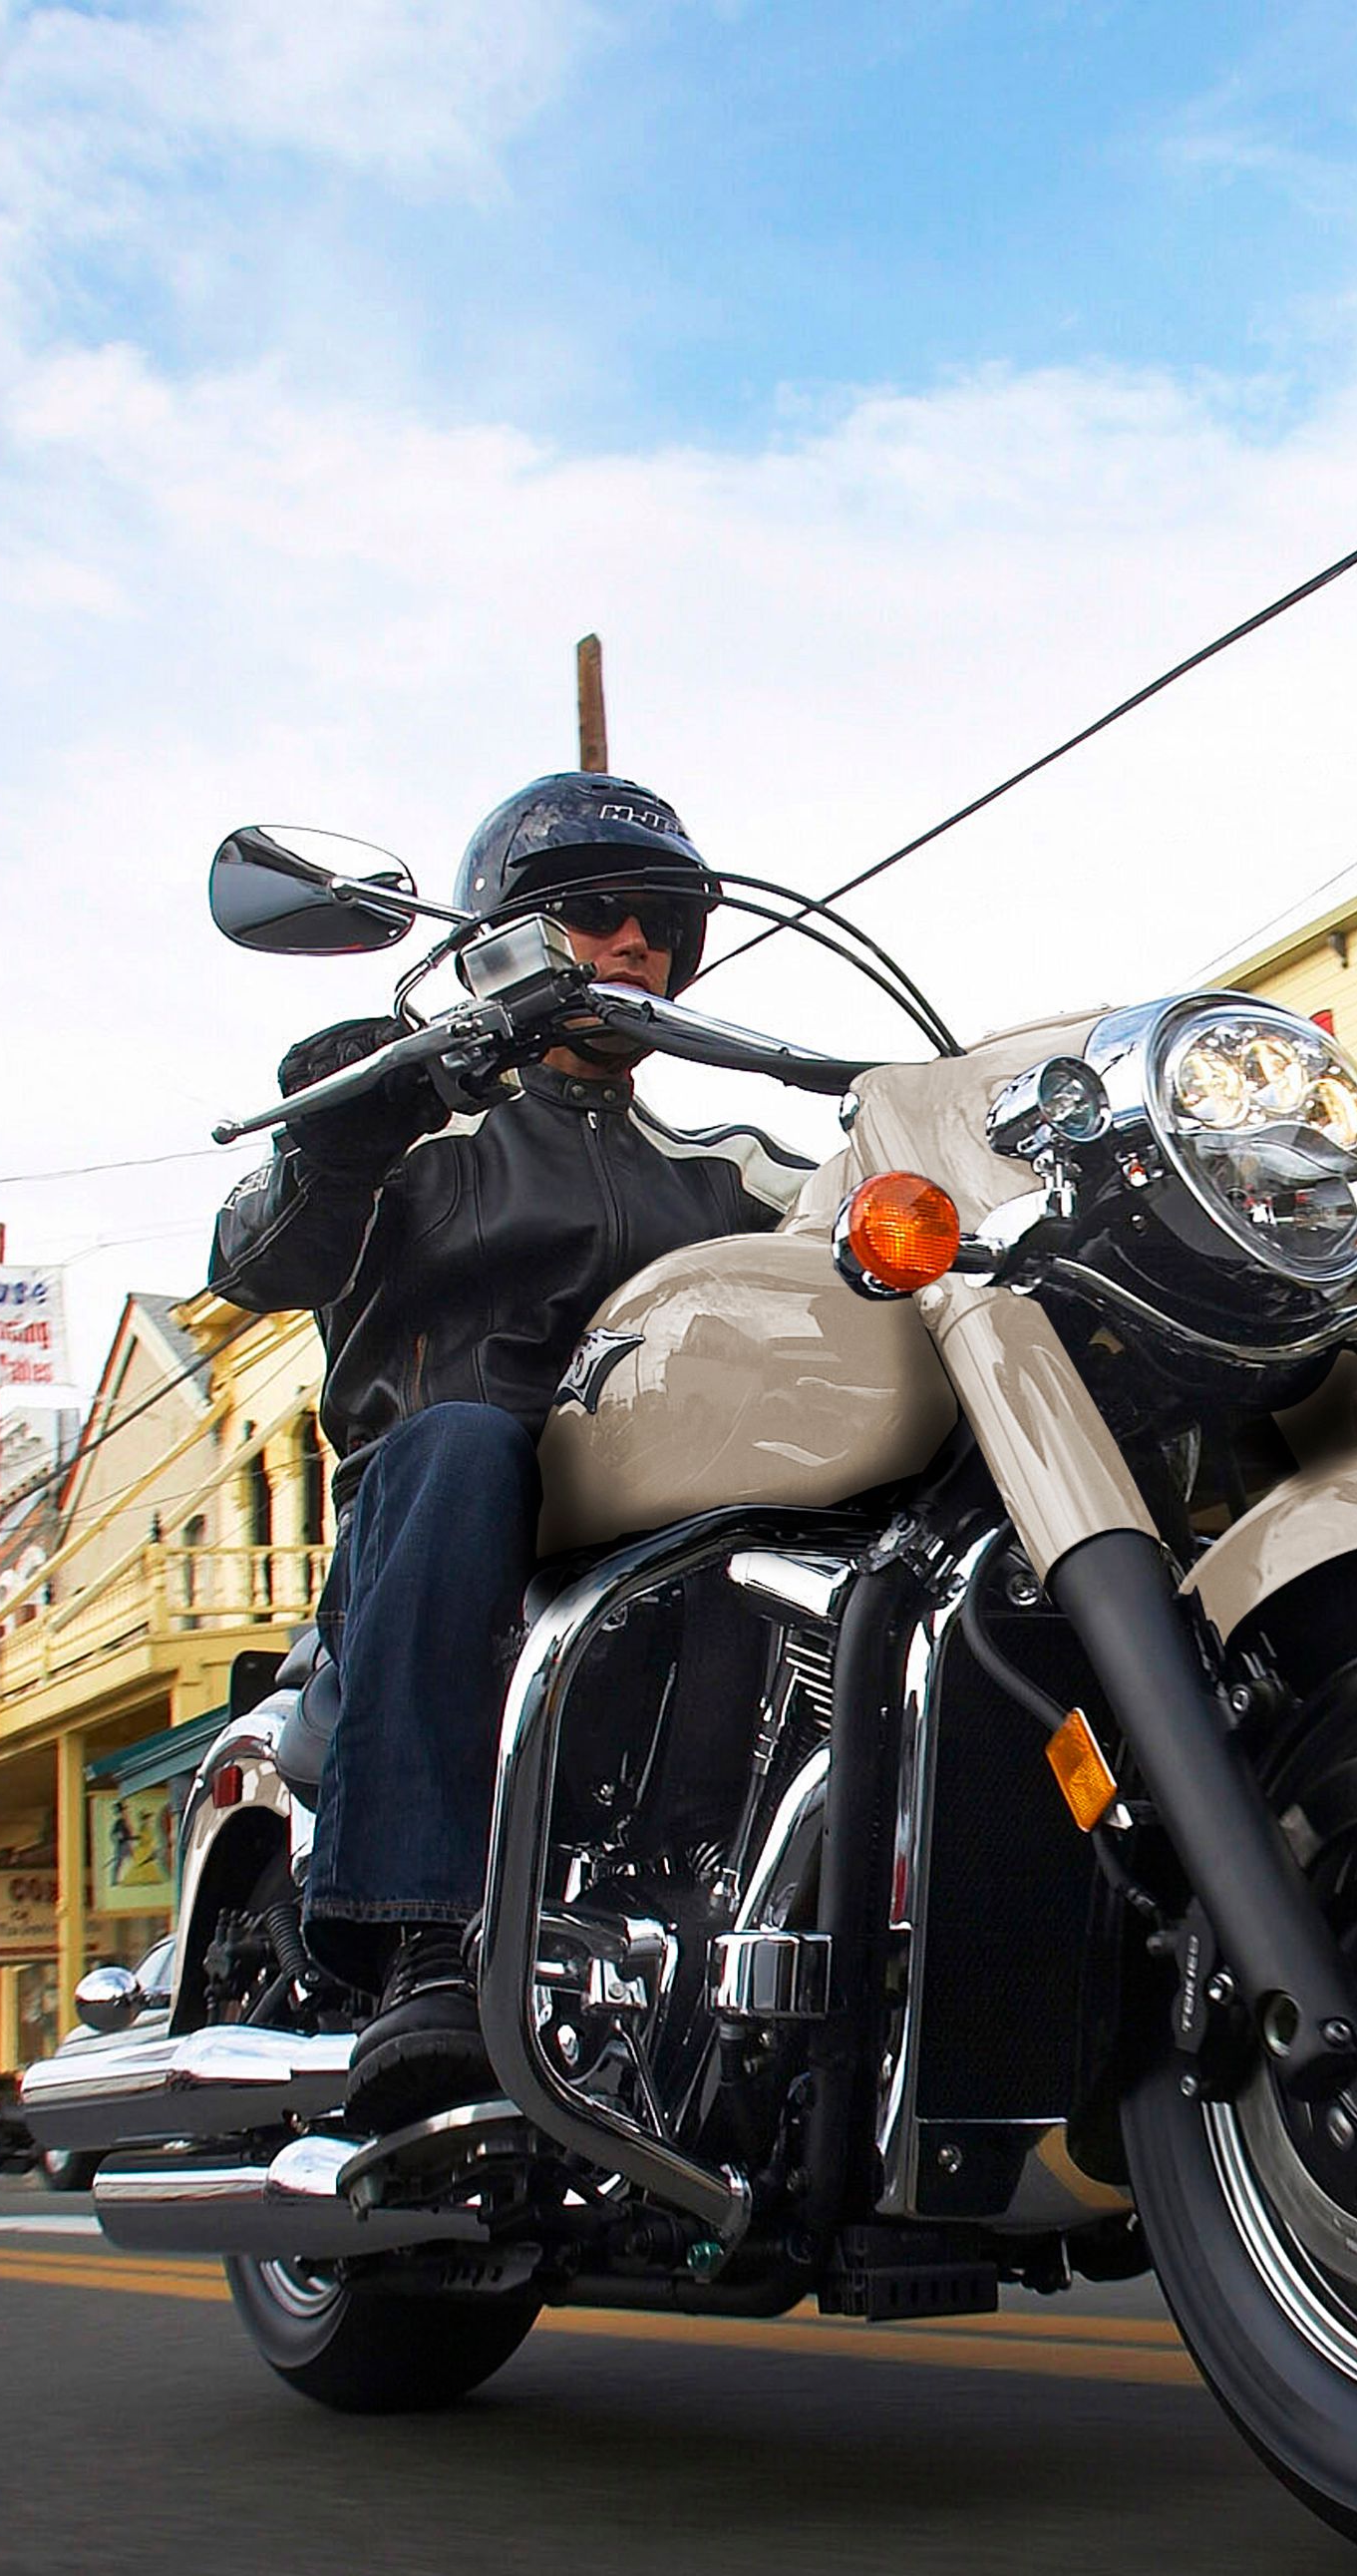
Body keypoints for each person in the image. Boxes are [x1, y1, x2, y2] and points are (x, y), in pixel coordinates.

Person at [210, 772, 810, 2128]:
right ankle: (425, 1942)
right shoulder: (416, 1124)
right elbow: (254, 1257)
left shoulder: (737, 1163)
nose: (636, 942)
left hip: (670, 1534)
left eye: (662, 918)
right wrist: (337, 1138)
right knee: (474, 1442)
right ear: (511, 936)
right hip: (452, 1543)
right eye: (593, 910)